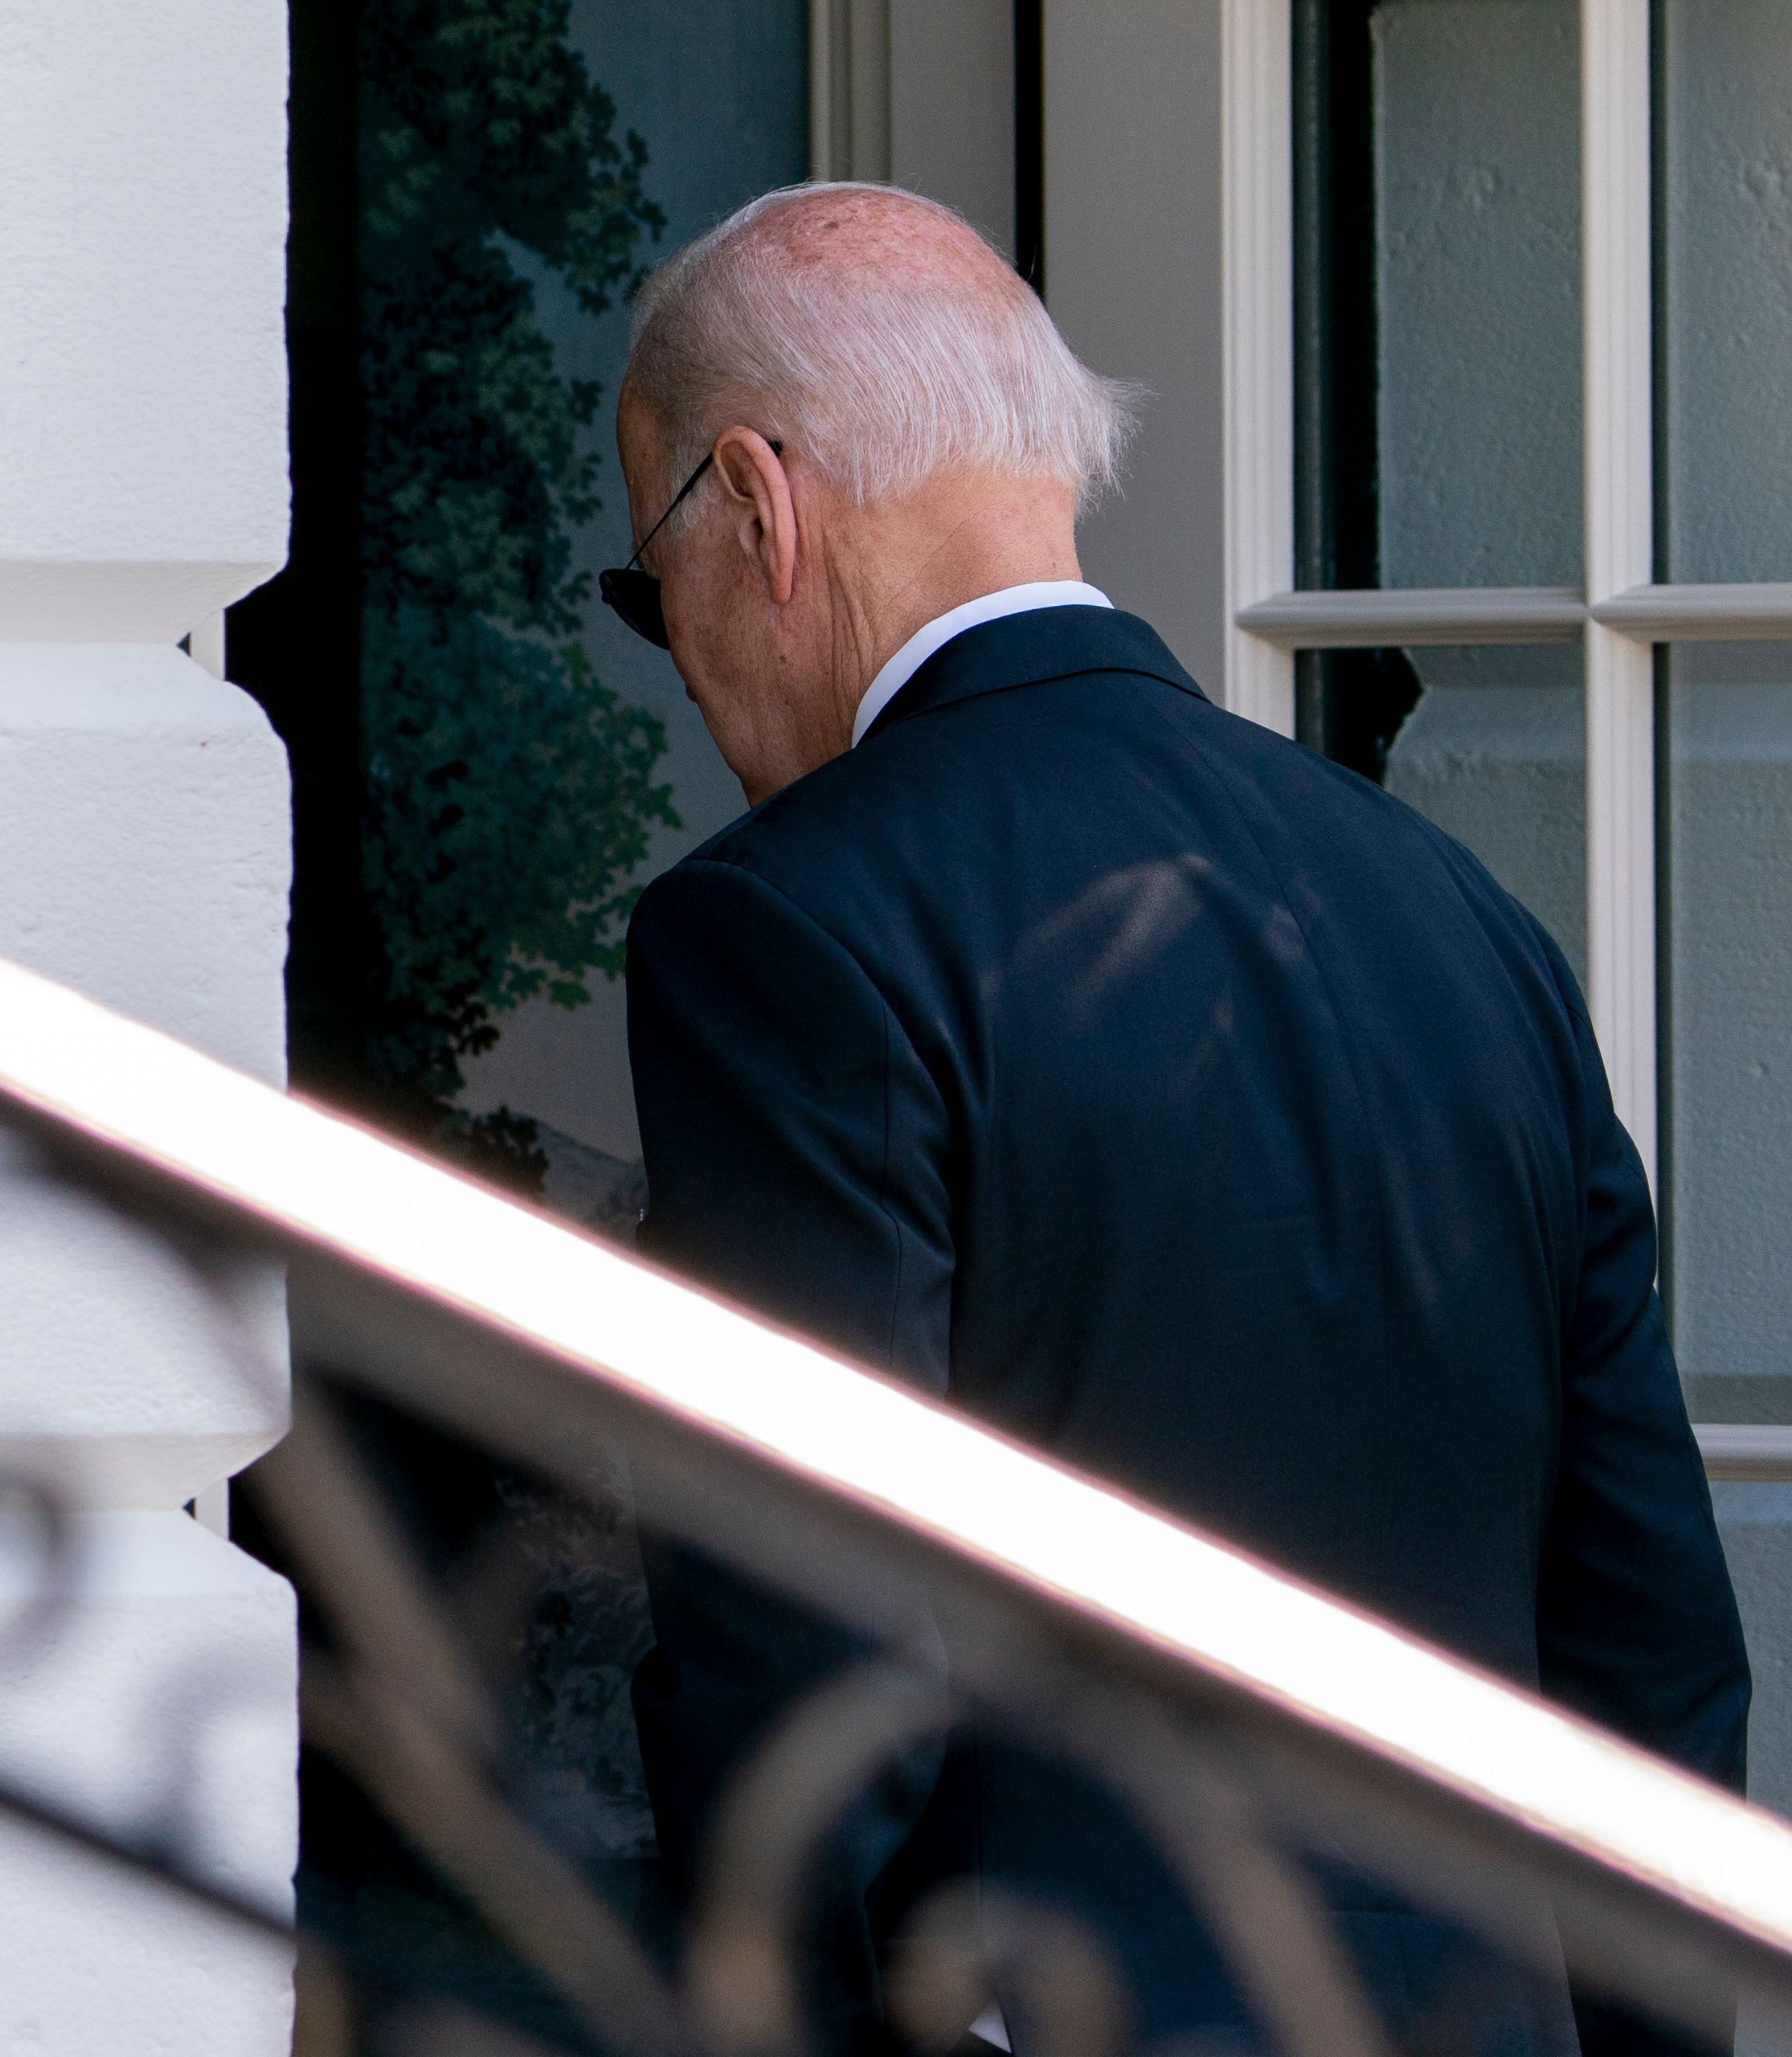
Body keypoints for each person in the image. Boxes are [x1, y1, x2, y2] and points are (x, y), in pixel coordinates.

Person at [604, 182, 1748, 2057]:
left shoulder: (786, 926)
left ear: (756, 502)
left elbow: (804, 1631)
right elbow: (1652, 1643)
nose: (685, 649)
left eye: (651, 592)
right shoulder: (1464, 921)